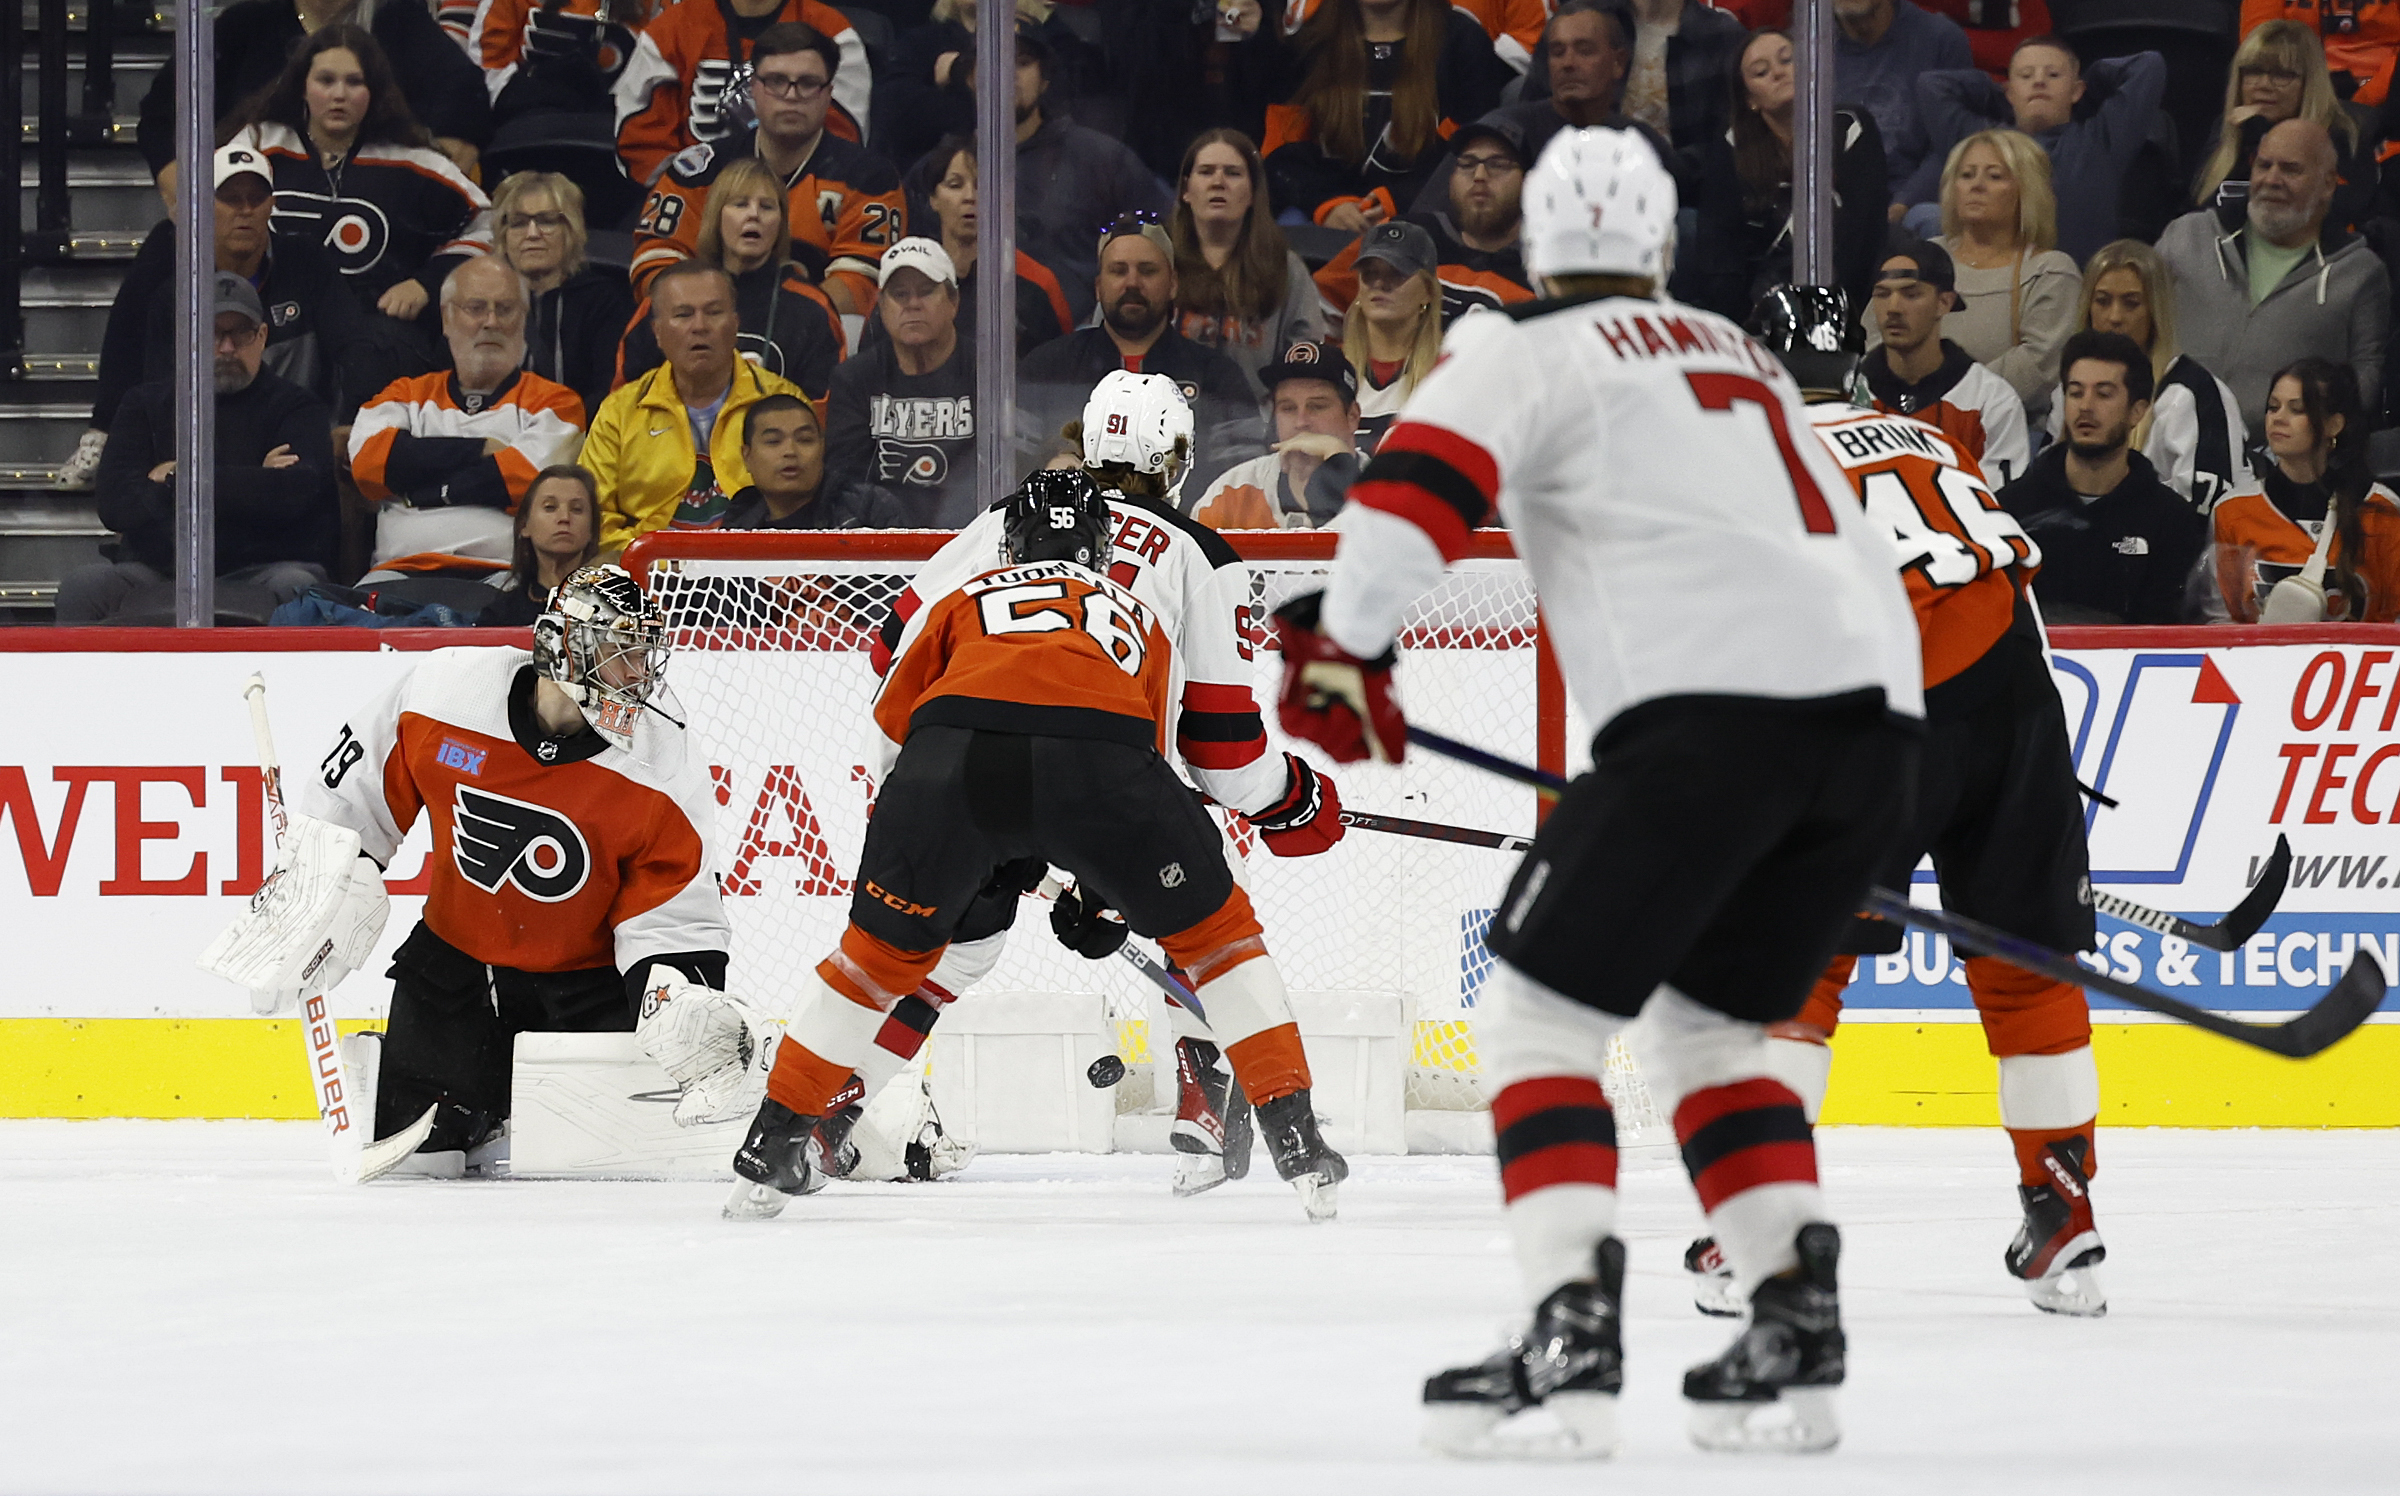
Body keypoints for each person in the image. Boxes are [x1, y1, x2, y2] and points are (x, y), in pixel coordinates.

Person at [1274, 127, 1922, 1459]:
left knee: (1532, 1018)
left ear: (1534, 248)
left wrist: (1346, 646)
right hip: (1877, 730)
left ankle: (1570, 1321)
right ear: (1663, 246)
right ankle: (1793, 1314)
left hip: (1708, 717)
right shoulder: (1742, 355)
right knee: (1704, 1032)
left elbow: (1413, 494)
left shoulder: (1523, 347)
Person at [726, 462, 1352, 1222]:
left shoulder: (964, 596)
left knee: (871, 960)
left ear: (1008, 546)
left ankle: (774, 1141)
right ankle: (1298, 1138)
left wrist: (955, 840)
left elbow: (895, 723)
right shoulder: (1139, 616)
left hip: (946, 767)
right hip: (1102, 763)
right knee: (1220, 939)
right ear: (1101, 547)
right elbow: (1140, 764)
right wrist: (1102, 887)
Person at [1707, 283, 2107, 1321]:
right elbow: (2014, 596)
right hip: (2018, 699)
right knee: (2027, 968)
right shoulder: (1931, 438)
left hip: (1886, 703)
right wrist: (2028, 765)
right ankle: (2066, 1218)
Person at [231, 565, 748, 1173]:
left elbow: (674, 915)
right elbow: (354, 804)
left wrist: (675, 998)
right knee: (421, 1163)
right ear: (559, 646)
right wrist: (314, 892)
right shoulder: (444, 693)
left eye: (642, 656)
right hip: (456, 974)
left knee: (591, 1168)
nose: (636, 676)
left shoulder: (663, 757)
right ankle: (440, 1092)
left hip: (587, 990)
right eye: (617, 654)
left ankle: (502, 1108)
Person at [67, 141, 369, 490]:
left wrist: (352, 421)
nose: (244, 210)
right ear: (203, 207)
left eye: (256, 199)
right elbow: (160, 393)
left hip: (294, 435)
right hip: (203, 442)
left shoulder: (306, 261)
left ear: (272, 206)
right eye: (230, 199)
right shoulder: (170, 282)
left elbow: (354, 346)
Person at [59, 275, 339, 625]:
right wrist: (254, 476)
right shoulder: (145, 404)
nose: (226, 348)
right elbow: (116, 506)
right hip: (158, 569)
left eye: (241, 333)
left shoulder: (297, 407)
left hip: (266, 568)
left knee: (298, 586)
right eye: (213, 333)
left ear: (263, 336)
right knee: (84, 586)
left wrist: (176, 477)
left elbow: (297, 495)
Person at [220, 26, 495, 374]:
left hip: (375, 334)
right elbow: (206, 212)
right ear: (302, 86)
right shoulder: (258, 144)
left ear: (373, 91)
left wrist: (427, 283)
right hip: (273, 326)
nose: (339, 94)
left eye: (354, 82)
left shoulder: (414, 161)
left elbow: (489, 224)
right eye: (326, 80)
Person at [628, 22, 903, 320]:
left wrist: (773, 325)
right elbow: (654, 261)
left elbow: (862, 285)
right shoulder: (700, 170)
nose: (791, 95)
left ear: (829, 94)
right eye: (776, 81)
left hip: (814, 345)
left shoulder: (869, 178)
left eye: (808, 82)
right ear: (754, 89)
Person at [349, 256, 590, 568]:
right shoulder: (404, 394)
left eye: (505, 309)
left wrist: (419, 488)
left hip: (506, 579)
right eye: (476, 308)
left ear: (524, 320)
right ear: (446, 319)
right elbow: (369, 465)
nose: (491, 322)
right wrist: (481, 449)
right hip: (396, 574)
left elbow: (531, 485)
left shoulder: (557, 402)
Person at [2157, 118, 2390, 439]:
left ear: (2327, 185)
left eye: (2291, 169)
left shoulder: (2360, 273)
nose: (2272, 179)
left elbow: (2366, 383)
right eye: (2263, 165)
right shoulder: (2186, 236)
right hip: (2162, 444)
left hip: (2281, 464)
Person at [137, 0, 490, 206]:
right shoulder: (245, 24)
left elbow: (465, 97)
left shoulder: (398, 20)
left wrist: (423, 188)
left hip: (371, 215)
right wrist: (193, 206)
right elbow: (163, 115)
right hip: (253, 212)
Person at [1016, 218, 1263, 492]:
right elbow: (1010, 467)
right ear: (1098, 287)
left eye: (1147, 271)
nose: (1132, 283)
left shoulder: (1216, 375)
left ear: (1172, 284)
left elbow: (1244, 481)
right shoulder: (1047, 368)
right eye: (1118, 271)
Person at [583, 262, 810, 549]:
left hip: (755, 571)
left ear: (736, 324)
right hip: (649, 574)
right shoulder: (620, 412)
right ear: (657, 332)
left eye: (714, 313)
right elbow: (592, 516)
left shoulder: (782, 403)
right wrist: (654, 562)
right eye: (683, 314)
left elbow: (808, 505)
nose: (700, 326)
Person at [1999, 331, 2209, 625]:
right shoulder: (2009, 509)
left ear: (2137, 411)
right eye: (2075, 392)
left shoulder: (2171, 521)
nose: (2086, 405)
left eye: (2103, 393)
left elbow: (2170, 638)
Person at [1680, 28, 1889, 321]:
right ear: (1750, 100)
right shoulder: (1731, 148)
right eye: (1761, 72)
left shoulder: (1851, 129)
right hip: (1762, 310)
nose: (1778, 73)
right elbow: (1720, 252)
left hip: (1845, 301)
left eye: (1787, 60)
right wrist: (1747, 323)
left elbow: (1866, 237)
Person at [1900, 36, 2167, 266]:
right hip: (1995, 282)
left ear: (2076, 90)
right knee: (1923, 216)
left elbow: (2148, 65)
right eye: (2026, 76)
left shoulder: (2101, 139)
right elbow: (1931, 85)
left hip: (2075, 286)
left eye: (2053, 75)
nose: (2039, 82)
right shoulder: (1983, 141)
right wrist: (1999, 95)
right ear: (2009, 92)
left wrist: (2088, 89)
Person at [1262, 0, 1509, 232]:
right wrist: (1327, 204)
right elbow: (1281, 152)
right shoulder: (1307, 44)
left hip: (1426, 212)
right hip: (1326, 216)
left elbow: (1474, 152)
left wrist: (1397, 200)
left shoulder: (1462, 41)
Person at [2046, 240, 2251, 513]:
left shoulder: (2194, 393)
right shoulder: (2070, 390)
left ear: (2156, 311)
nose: (2115, 317)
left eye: (2131, 304)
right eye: (2103, 301)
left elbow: (2205, 512)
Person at [619, 158, 847, 402]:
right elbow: (625, 403)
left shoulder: (811, 308)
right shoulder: (668, 297)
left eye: (767, 207)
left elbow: (821, 413)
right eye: (740, 204)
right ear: (716, 216)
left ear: (781, 223)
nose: (754, 215)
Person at [1902, 129, 2079, 422]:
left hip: (2006, 434)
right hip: (1905, 426)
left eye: (1994, 176)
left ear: (2026, 190)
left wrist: (1941, 403)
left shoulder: (2050, 271)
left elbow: (2037, 368)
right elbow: (1875, 339)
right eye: (1967, 175)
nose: (1977, 186)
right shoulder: (1922, 259)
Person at [2213, 358, 2400, 623]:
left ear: (2333, 425)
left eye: (2297, 409)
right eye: (2273, 407)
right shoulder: (2232, 511)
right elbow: (2217, 621)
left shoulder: (2382, 509)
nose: (2278, 418)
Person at [1010, 23, 1174, 321]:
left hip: (1087, 342)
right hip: (977, 341)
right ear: (972, 78)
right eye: (992, 62)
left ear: (1045, 79)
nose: (1006, 75)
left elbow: (1166, 231)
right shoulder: (950, 169)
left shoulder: (1100, 157)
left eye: (1022, 63)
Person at [612, 0, 869, 188]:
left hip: (803, 198)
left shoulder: (833, 32)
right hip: (694, 196)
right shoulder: (670, 30)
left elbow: (843, 144)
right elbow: (642, 144)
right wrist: (688, 190)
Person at [822, 239, 982, 527]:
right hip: (880, 543)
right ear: (882, 307)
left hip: (970, 536)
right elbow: (844, 481)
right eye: (899, 294)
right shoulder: (854, 379)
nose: (912, 304)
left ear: (953, 302)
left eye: (926, 292)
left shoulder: (988, 371)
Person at [1326, 114, 1535, 322]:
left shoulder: (1543, 268)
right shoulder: (1401, 234)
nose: (1479, 175)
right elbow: (1322, 308)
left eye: (1498, 164)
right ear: (1451, 178)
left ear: (1529, 182)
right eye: (1467, 163)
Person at [1169, 129, 1329, 396]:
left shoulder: (1286, 269)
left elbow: (1305, 364)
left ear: (1254, 193)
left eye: (1233, 173)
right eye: (1206, 172)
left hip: (1254, 430)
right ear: (1186, 190)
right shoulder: (1153, 260)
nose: (1218, 182)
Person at [1863, 241, 2031, 485]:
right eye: (1882, 294)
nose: (1893, 308)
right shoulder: (1845, 394)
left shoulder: (1991, 401)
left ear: (1944, 303)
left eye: (1911, 294)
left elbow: (1998, 507)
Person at [2195, 21, 2379, 238]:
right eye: (2253, 72)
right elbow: (2199, 217)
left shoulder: (2343, 137)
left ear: (2309, 83)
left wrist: (2263, 139)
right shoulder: (2228, 131)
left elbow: (2336, 220)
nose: (2263, 84)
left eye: (2281, 75)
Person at [903, 136, 1075, 356]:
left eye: (982, 185)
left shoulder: (1038, 283)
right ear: (933, 199)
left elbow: (1060, 368)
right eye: (955, 185)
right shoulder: (905, 277)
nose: (970, 197)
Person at [494, 172, 636, 427]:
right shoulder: (481, 301)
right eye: (518, 223)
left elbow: (611, 391)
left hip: (577, 438)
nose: (532, 233)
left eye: (547, 221)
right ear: (503, 235)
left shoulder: (603, 301)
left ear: (571, 230)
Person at [1191, 341, 1362, 529]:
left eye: (1317, 406)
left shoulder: (1385, 485)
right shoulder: (1233, 491)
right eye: (1288, 408)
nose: (1301, 422)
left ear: (1353, 416)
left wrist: (1338, 461)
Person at [1830, 0, 1972, 206]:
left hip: (1914, 207)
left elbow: (1951, 143)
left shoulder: (1941, 39)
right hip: (1828, 208)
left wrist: (1903, 204)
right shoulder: (1804, 48)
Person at [723, 392, 904, 527]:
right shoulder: (738, 525)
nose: (790, 451)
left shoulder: (867, 509)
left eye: (805, 440)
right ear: (747, 457)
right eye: (773, 441)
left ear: (822, 448)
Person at [1342, 220, 1443, 452]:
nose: (1379, 283)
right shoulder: (1331, 371)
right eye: (1369, 273)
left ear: (1428, 292)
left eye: (1397, 274)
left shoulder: (1448, 375)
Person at [478, 465, 605, 626]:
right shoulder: (501, 615)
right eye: (550, 507)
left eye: (577, 509)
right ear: (525, 525)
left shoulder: (617, 608)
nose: (564, 517)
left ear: (592, 530)